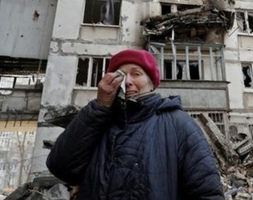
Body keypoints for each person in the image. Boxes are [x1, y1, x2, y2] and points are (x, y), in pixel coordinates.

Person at [46, 48, 224, 200]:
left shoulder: (179, 124)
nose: (128, 81)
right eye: (120, 76)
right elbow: (60, 167)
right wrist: (99, 107)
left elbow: (206, 192)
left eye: (136, 74)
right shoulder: (99, 122)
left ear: (152, 83)